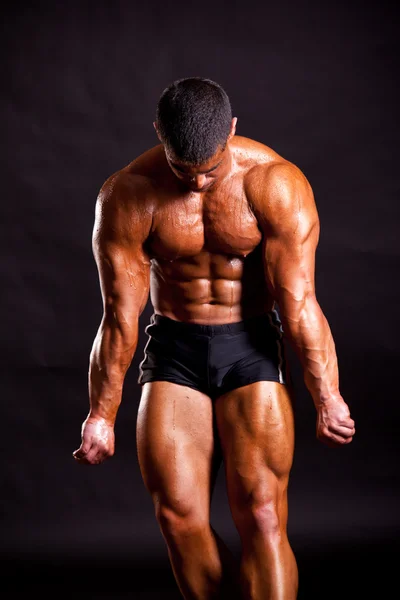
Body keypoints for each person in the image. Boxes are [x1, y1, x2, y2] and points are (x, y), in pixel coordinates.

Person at [73, 77, 356, 600]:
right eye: (185, 171)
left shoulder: (274, 183)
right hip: (174, 348)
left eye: (210, 169)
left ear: (231, 130)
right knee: (178, 517)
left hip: (249, 346)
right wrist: (101, 415)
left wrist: (328, 396)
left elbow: (298, 303)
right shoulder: (128, 194)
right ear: (159, 134)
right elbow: (118, 318)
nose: (198, 185)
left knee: (263, 513)